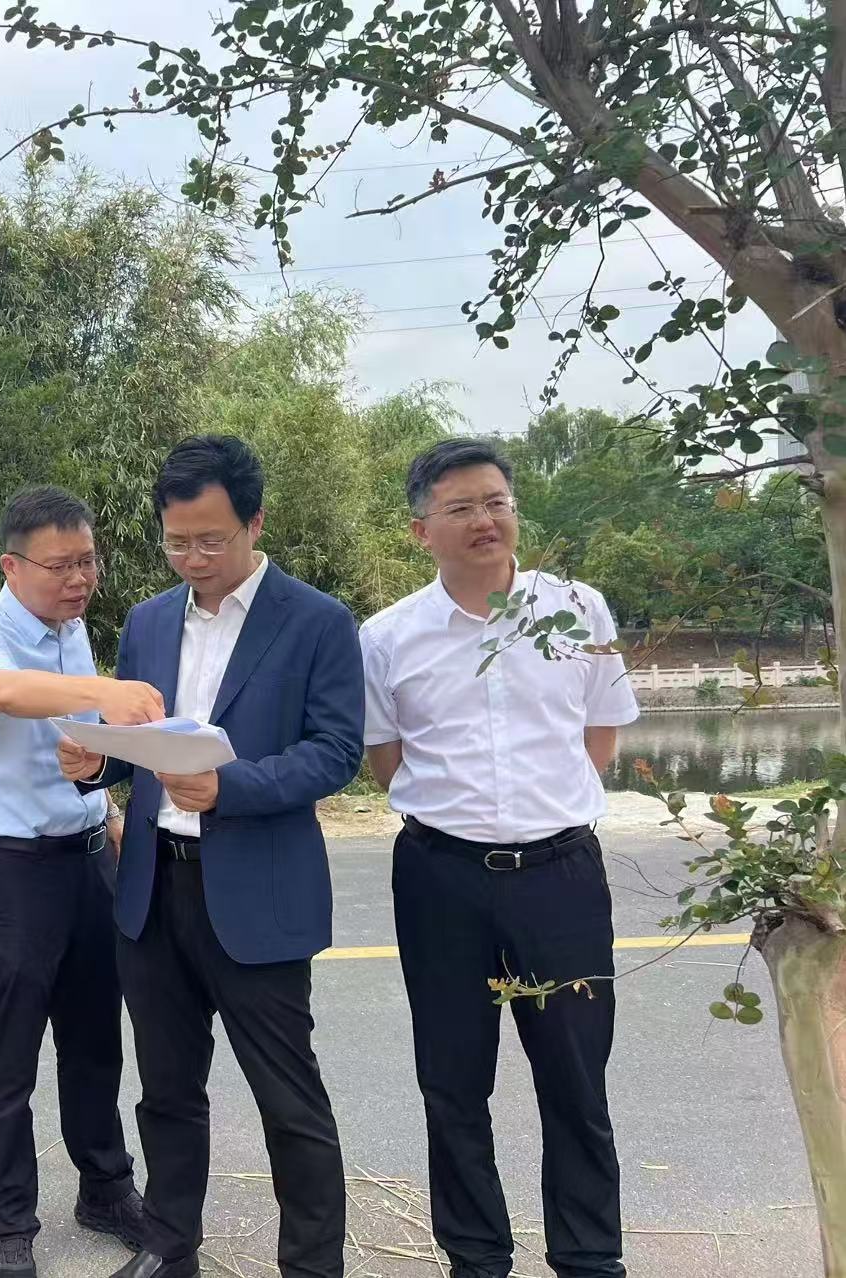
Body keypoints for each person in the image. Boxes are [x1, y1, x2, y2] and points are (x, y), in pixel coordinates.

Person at [60, 436, 362, 1278]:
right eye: (177, 542)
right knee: (165, 1093)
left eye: (211, 541)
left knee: (289, 1103)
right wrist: (95, 762)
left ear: (255, 523)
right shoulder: (151, 621)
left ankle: (312, 1266)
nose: (194, 558)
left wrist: (233, 787)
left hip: (258, 893)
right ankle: (169, 1249)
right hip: (152, 889)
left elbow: (336, 751)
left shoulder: (316, 621)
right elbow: (137, 745)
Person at [358, 438, 638, 1278]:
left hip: (562, 878)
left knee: (576, 1080)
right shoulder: (388, 637)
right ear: (421, 530)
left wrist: (539, 814)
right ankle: (476, 1258)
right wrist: (467, 821)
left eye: (496, 502)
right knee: (452, 1082)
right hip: (441, 879)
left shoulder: (578, 610)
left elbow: (600, 736)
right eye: (461, 508)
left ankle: (589, 1258)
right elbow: (387, 762)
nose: (485, 520)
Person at [0, 486, 159, 1278]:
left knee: (96, 1042)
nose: (79, 580)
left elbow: (75, 747)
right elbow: (4, 693)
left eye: (88, 562)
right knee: (9, 1059)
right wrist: (105, 691)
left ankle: (106, 1188)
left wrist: (106, 801)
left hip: (86, 860)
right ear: (13, 566)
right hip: (12, 872)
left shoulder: (71, 631)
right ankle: (8, 1228)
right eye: (61, 565)